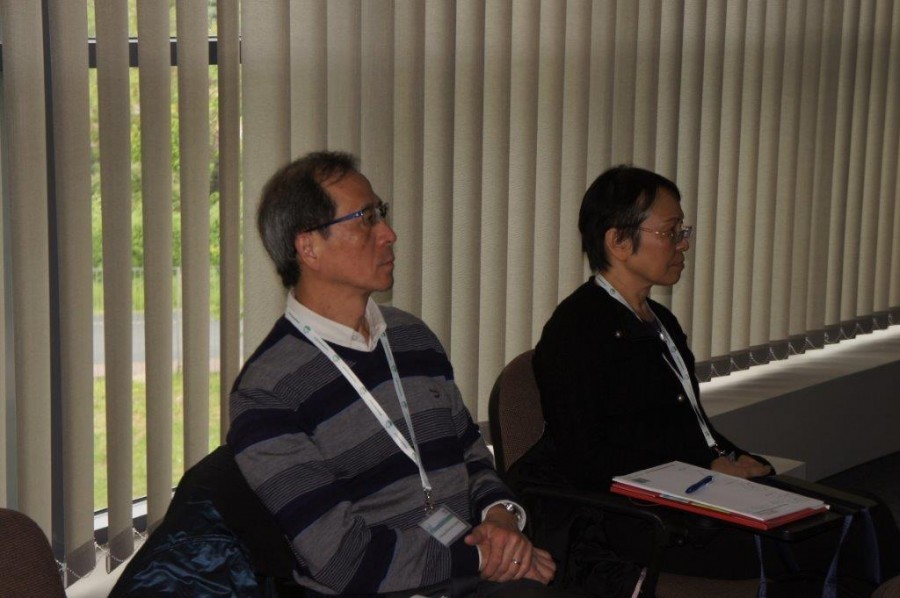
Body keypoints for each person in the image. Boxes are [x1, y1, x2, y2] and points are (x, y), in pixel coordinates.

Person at [506, 165, 900, 595]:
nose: (684, 243)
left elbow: (688, 424)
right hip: (635, 517)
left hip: (693, 490)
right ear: (618, 242)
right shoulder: (576, 330)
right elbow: (588, 457)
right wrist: (707, 468)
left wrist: (732, 457)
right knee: (828, 539)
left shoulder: (660, 321)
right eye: (671, 231)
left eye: (683, 230)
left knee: (864, 512)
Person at [227, 151, 556, 597]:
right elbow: (343, 560)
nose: (388, 233)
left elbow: (469, 451)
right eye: (365, 219)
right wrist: (485, 557)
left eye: (380, 213)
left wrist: (500, 518)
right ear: (309, 247)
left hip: (468, 573)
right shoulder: (268, 391)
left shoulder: (410, 337)